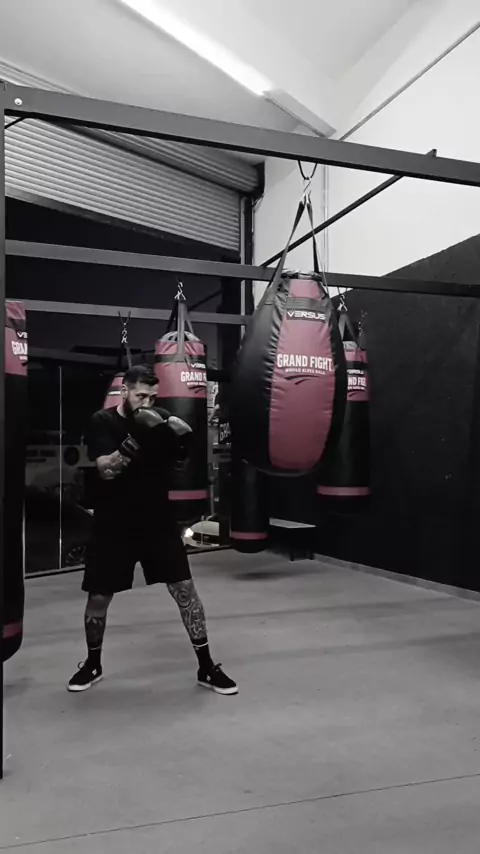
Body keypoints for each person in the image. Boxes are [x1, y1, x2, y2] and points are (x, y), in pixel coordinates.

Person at [68, 365, 237, 696]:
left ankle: (206, 666)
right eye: (141, 395)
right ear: (125, 391)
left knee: (185, 590)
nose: (147, 402)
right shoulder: (103, 421)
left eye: (152, 397)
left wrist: (181, 448)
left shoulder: (161, 419)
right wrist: (134, 441)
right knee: (99, 596)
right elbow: (106, 470)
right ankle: (92, 664)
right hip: (113, 522)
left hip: (157, 520)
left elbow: (175, 463)